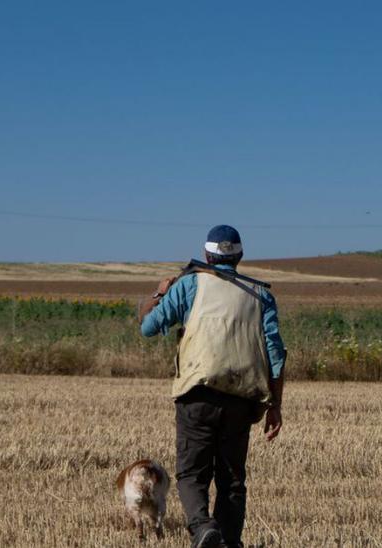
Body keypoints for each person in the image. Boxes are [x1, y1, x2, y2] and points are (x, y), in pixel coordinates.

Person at [138, 225, 285, 548]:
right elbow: (275, 354)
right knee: (232, 480)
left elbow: (148, 326)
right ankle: (229, 542)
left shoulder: (190, 284)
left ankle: (203, 528)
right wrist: (275, 405)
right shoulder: (261, 295)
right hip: (242, 398)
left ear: (207, 256)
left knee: (192, 474)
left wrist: (160, 293)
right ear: (240, 257)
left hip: (197, 394)